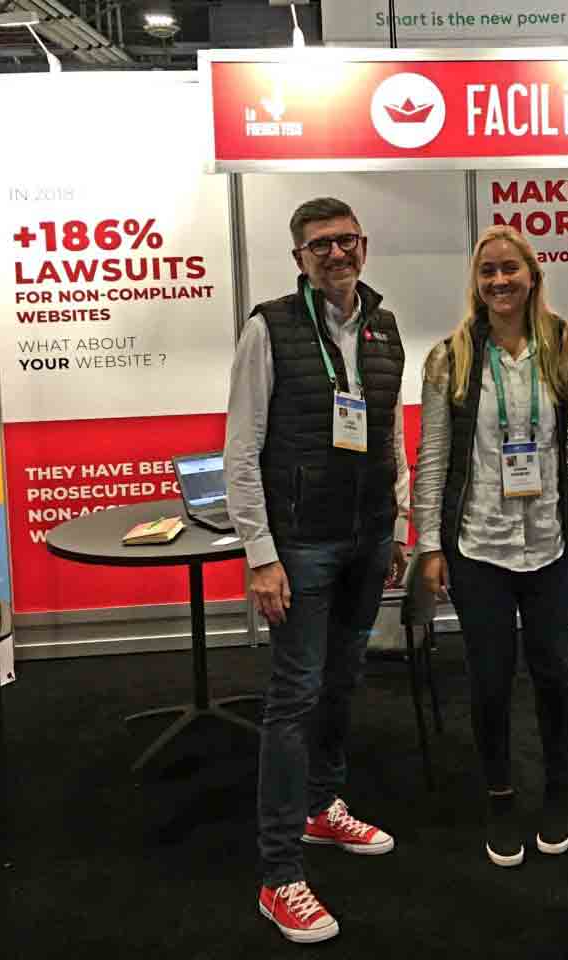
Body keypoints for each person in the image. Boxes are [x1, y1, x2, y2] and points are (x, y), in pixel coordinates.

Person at [225, 197, 409, 943]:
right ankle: (279, 875)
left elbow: (388, 431)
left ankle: (322, 809)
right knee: (293, 698)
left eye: (345, 241)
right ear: (298, 257)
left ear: (363, 245)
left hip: (366, 537)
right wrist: (261, 555)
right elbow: (242, 450)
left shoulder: (383, 326)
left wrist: (395, 522)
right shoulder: (269, 327)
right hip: (300, 544)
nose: (335, 254)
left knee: (343, 681)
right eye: (318, 245)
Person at [414, 225, 568, 868]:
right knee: (490, 679)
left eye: (510, 270)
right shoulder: (450, 356)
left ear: (532, 276)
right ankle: (499, 795)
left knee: (554, 672)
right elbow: (432, 456)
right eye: (488, 272)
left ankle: (557, 790)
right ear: (477, 282)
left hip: (550, 542)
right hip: (477, 548)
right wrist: (428, 546)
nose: (499, 282)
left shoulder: (559, 345)